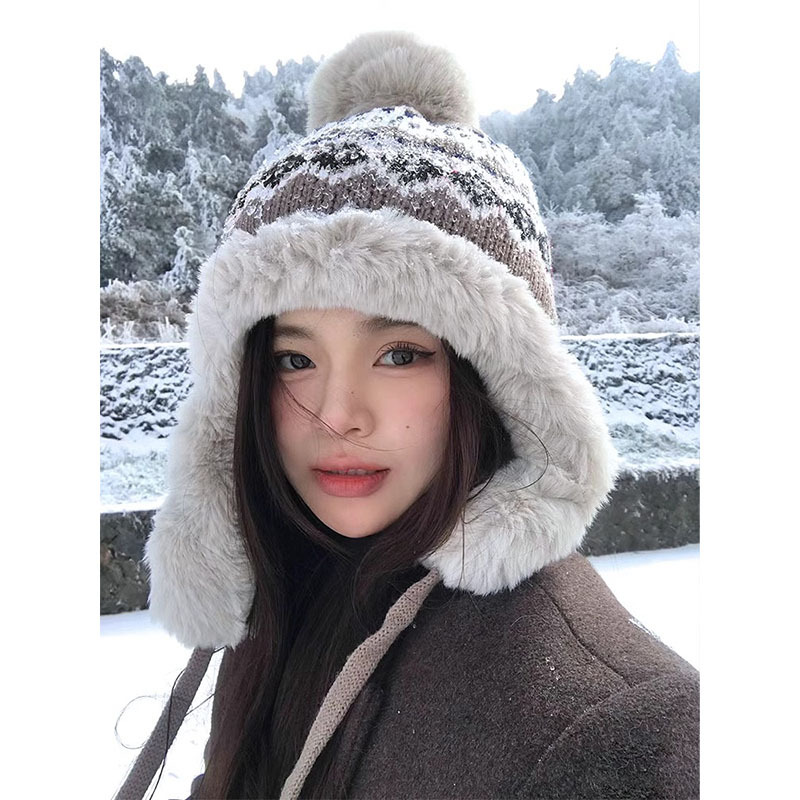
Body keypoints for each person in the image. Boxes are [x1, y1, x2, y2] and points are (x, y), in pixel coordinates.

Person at [121, 30, 699, 800]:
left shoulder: (614, 730)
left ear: (498, 381)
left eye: (399, 354)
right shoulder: (285, 588)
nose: (337, 415)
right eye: (294, 359)